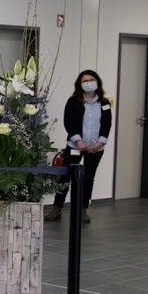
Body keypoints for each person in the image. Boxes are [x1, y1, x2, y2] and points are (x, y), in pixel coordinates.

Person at [46, 71, 111, 224]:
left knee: (88, 178)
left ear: (97, 82)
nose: (89, 83)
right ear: (80, 84)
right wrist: (78, 141)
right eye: (85, 80)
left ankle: (83, 209)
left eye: (91, 80)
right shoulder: (73, 101)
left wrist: (99, 143)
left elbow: (107, 124)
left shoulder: (104, 103)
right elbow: (68, 122)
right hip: (75, 146)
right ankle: (57, 208)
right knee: (65, 176)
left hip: (96, 147)